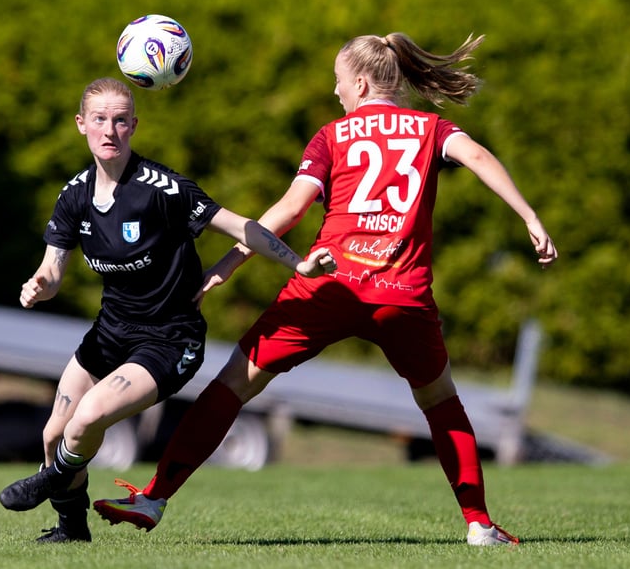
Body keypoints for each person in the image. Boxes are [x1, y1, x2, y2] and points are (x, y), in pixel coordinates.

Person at [92, 32, 558, 547]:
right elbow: (478, 157)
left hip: (325, 286)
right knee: (441, 401)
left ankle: (156, 497)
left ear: (359, 82)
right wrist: (530, 217)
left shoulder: (333, 135)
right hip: (401, 295)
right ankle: (478, 524)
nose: (337, 93)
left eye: (339, 83)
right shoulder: (431, 127)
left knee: (232, 384)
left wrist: (231, 261)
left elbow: (290, 211)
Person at [0, 77, 336, 544]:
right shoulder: (74, 196)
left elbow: (243, 228)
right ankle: (71, 531)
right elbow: (52, 270)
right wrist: (39, 286)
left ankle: (49, 480)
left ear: (134, 125)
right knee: (55, 433)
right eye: (99, 120)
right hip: (110, 333)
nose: (109, 130)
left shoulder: (163, 188)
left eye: (120, 120)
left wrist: (297, 263)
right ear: (81, 125)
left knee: (88, 418)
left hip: (168, 338)